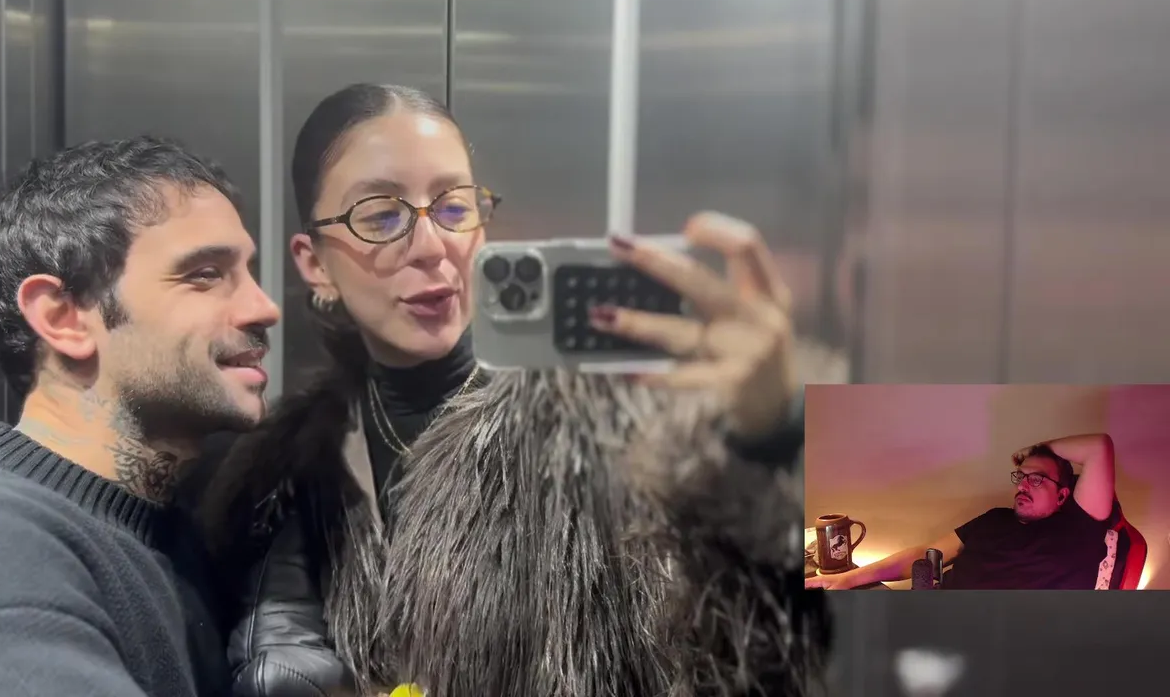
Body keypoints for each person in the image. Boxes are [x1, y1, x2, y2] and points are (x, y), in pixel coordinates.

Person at [196, 83, 827, 696]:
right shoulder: (284, 475)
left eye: (454, 207)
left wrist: (781, 429)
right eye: (381, 215)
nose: (431, 246)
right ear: (315, 263)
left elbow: (884, 566)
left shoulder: (616, 409)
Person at [0, 136, 280, 696]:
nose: (264, 307)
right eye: (204, 274)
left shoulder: (175, 538)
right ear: (64, 318)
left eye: (248, 271)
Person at [806, 433, 1117, 591]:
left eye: (1036, 479)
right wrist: (849, 579)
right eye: (1021, 476)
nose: (1023, 485)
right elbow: (926, 556)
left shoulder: (1078, 528)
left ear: (1062, 495)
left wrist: (1039, 447)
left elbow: (1099, 447)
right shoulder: (995, 518)